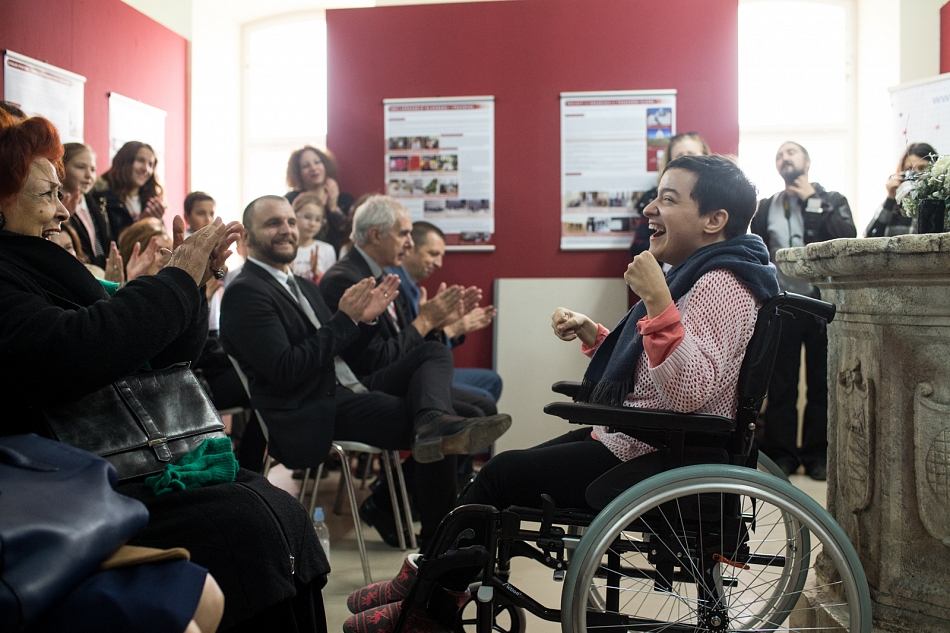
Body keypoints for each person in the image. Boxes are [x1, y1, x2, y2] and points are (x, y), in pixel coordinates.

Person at [344, 154, 780, 633]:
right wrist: (597, 335)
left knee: (500, 476)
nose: (650, 209)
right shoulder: (706, 272)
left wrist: (656, 299)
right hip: (645, 440)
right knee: (493, 481)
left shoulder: (722, 283)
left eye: (668, 199)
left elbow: (687, 390)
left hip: (660, 451)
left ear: (714, 220)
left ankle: (428, 607)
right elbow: (658, 370)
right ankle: (428, 583)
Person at [0, 111, 329, 633]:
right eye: (47, 195)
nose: (64, 211)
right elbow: (72, 350)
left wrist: (191, 288)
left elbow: (169, 359)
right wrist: (174, 282)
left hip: (116, 463)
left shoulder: (42, 266)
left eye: (62, 194)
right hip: (67, 483)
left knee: (277, 509)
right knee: (247, 525)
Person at [219, 195, 511, 548]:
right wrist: (347, 320)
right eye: (273, 223)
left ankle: (431, 438)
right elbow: (286, 369)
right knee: (446, 432)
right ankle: (440, 546)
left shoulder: (301, 285)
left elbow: (342, 348)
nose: (287, 230)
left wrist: (363, 320)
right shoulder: (246, 292)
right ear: (247, 238)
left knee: (437, 367)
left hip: (344, 387)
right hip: (312, 407)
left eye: (291, 222)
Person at [751, 141, 856, 480]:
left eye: (791, 152)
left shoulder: (833, 200)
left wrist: (815, 201)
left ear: (807, 161)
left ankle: (817, 455)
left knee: (821, 383)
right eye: (779, 154)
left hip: (822, 305)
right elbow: (759, 254)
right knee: (781, 385)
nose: (784, 158)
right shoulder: (766, 207)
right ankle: (782, 455)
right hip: (783, 305)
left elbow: (848, 237)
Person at [387, 221, 501, 403]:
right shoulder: (394, 284)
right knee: (484, 398)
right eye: (433, 254)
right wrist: (452, 329)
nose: (439, 264)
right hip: (407, 376)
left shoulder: (412, 287)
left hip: (420, 367)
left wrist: (443, 325)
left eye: (441, 256)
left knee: (492, 380)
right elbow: (407, 350)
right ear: (409, 249)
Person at [630, 132, 711, 258]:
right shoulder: (652, 199)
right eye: (679, 157)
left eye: (692, 154)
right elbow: (638, 247)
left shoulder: (718, 197)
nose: (686, 161)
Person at [93, 141, 167, 242]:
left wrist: (157, 224)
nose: (146, 169)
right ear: (124, 161)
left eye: (151, 164)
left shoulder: (150, 200)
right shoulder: (102, 198)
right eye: (140, 160)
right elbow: (109, 243)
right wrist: (142, 224)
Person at [284, 145, 354, 253]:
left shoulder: (345, 200)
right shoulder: (290, 200)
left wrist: (333, 208)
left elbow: (350, 234)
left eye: (317, 162)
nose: (313, 168)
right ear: (298, 172)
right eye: (306, 166)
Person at [865, 142, 938, 237]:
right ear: (902, 172)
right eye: (909, 169)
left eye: (922, 168)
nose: (915, 174)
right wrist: (890, 198)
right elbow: (869, 237)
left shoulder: (942, 203)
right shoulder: (895, 206)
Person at [62, 142, 110, 268]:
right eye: (80, 167)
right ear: (61, 167)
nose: (89, 175)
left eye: (93, 169)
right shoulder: (54, 206)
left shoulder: (97, 202)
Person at [291, 191, 337, 282]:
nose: (312, 224)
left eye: (318, 220)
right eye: (307, 217)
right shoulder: (285, 247)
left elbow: (330, 284)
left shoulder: (327, 250)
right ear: (294, 215)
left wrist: (317, 275)